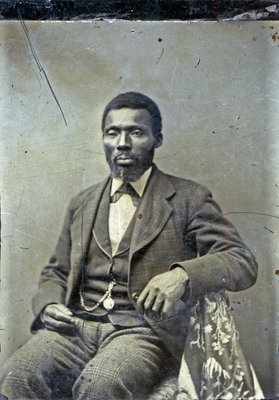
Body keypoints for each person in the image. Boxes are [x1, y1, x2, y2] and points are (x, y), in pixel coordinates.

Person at [0, 92, 258, 400]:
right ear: (103, 140)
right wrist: (48, 306)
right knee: (19, 372)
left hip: (143, 332)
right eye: (113, 132)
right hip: (76, 328)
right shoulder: (82, 203)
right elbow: (56, 271)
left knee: (101, 384)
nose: (123, 143)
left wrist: (182, 276)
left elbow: (241, 260)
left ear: (157, 139)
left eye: (135, 132)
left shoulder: (189, 197)